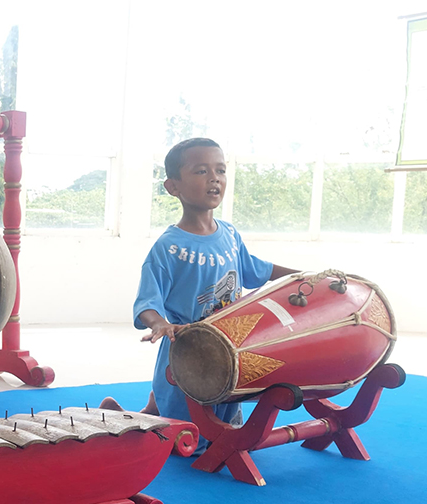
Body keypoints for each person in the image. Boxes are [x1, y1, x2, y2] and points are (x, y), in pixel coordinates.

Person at [101, 138, 299, 424]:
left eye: (220, 170)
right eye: (201, 171)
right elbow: (147, 302)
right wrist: (160, 324)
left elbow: (258, 270)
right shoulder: (168, 248)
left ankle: (147, 411)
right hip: (188, 356)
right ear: (173, 187)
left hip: (229, 352)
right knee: (186, 437)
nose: (214, 179)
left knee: (227, 428)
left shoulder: (230, 234)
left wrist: (304, 276)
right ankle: (130, 416)